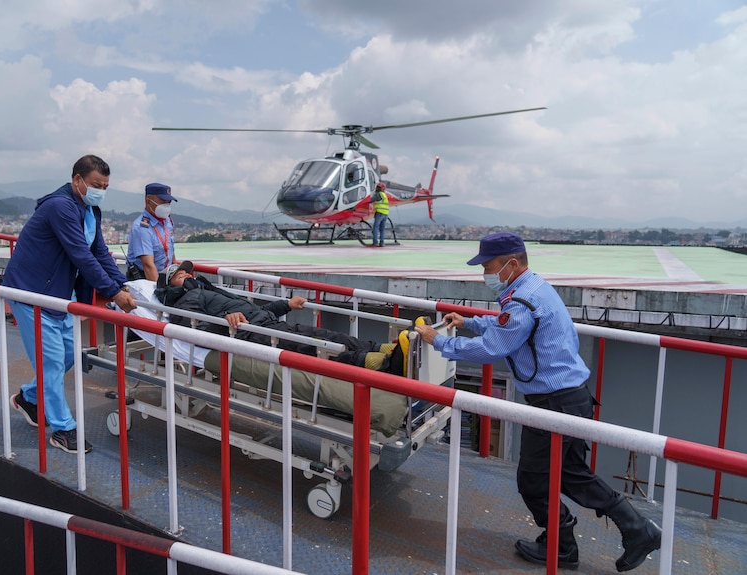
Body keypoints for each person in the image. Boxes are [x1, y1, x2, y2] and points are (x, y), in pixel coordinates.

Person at [414, 232, 661, 572]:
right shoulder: (532, 288)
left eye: (488, 267)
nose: (484, 274)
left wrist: (438, 341)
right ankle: (633, 531)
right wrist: (468, 321)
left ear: (511, 264)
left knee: (533, 480)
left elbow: (494, 348)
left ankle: (566, 545)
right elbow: (507, 326)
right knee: (571, 474)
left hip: (554, 404)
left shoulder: (521, 300)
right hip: (573, 397)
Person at [3, 154, 137, 454]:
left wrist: (122, 284)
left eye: (104, 186)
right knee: (50, 361)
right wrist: (114, 294)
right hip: (31, 292)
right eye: (95, 184)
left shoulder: (91, 210)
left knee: (69, 354)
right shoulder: (60, 207)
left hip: (58, 295)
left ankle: (29, 397)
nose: (100, 190)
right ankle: (63, 429)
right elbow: (81, 255)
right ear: (77, 180)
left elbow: (100, 252)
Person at [155, 261, 401, 373]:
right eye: (179, 275)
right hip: (251, 335)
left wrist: (287, 304)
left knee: (324, 334)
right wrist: (227, 324)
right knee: (312, 347)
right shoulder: (186, 301)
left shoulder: (207, 291)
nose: (187, 275)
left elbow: (254, 310)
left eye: (187, 272)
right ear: (170, 286)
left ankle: (384, 348)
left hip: (265, 324)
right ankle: (379, 365)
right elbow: (196, 330)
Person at [125, 183, 177, 281]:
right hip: (145, 279)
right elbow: (148, 265)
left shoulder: (167, 221)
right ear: (148, 201)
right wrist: (160, 292)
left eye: (169, 202)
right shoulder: (142, 228)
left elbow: (170, 250)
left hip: (165, 276)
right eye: (163, 202)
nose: (166, 206)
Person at [371, 182, 389, 247]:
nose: (377, 188)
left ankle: (375, 242)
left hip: (380, 213)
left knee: (375, 227)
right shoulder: (384, 195)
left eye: (378, 187)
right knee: (382, 229)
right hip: (385, 214)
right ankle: (382, 243)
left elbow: (371, 200)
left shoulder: (379, 194)